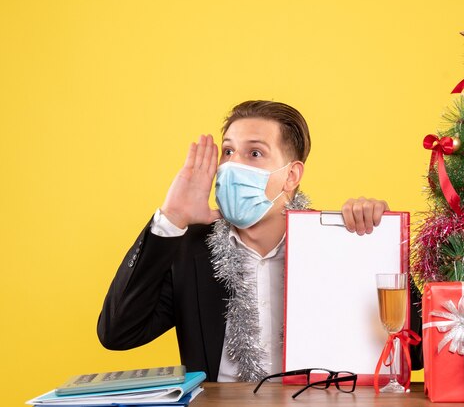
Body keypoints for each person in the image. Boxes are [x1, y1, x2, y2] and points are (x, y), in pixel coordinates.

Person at [97, 100, 421, 382]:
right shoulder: (189, 249)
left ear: (291, 176)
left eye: (254, 153)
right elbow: (118, 333)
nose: (233, 164)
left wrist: (377, 244)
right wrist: (171, 218)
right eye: (227, 151)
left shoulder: (335, 242)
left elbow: (415, 352)